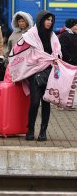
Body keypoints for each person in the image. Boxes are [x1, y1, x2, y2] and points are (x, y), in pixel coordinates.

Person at [23, 11, 61, 141]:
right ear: (41, 20)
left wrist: (56, 58)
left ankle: (43, 132)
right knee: (34, 103)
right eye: (47, 19)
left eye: (51, 20)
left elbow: (57, 52)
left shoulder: (53, 36)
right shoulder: (31, 35)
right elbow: (26, 54)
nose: (49, 22)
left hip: (49, 73)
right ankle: (30, 130)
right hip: (35, 73)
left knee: (46, 103)